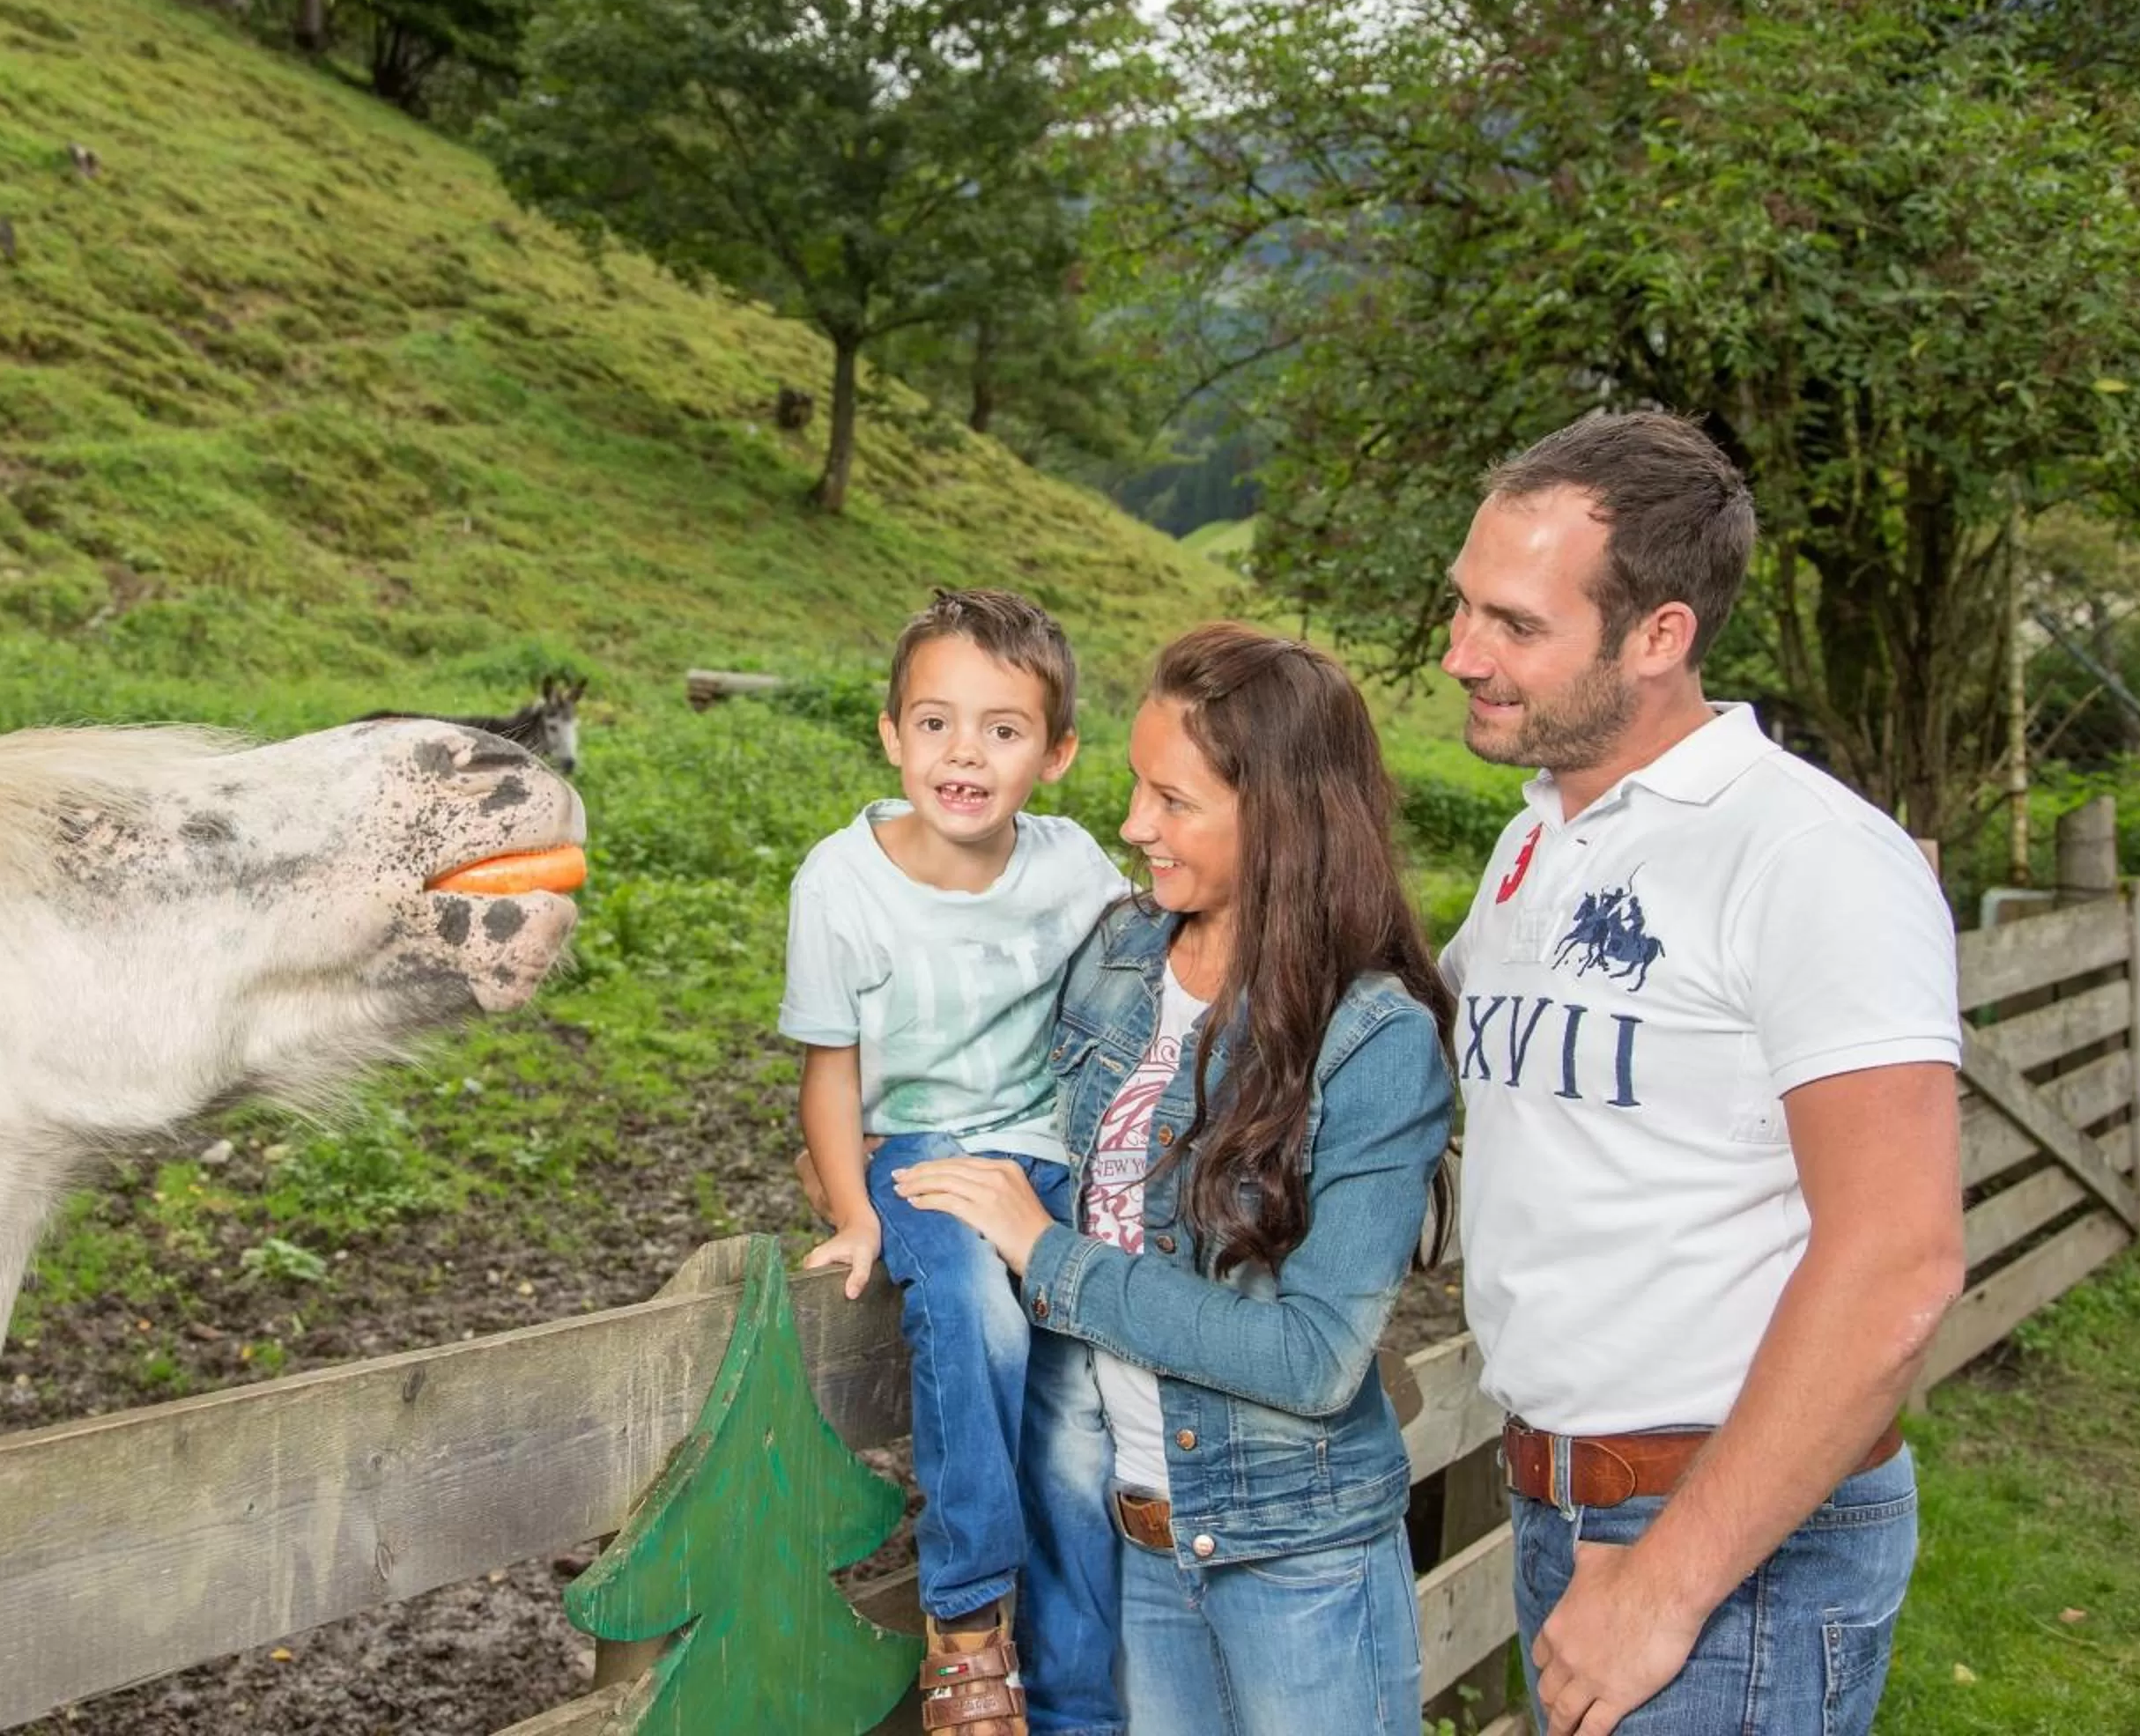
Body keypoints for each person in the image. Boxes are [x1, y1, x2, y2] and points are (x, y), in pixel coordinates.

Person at [1435, 410, 1966, 1735]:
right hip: (1563, 1505)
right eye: (1464, 608)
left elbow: (1900, 1258)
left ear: (1660, 636)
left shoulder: (1806, 859)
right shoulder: (1543, 837)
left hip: (1728, 1543)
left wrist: (1670, 1584)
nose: (1463, 655)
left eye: (1515, 625)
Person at [893, 624, 1456, 1736]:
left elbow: (1312, 1357)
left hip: (1296, 1559)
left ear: (1284, 812)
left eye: (1174, 799)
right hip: (1134, 1545)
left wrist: (1047, 1253)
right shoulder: (1115, 955)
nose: (1134, 825)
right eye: (1134, 788)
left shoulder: (1373, 1038)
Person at [781, 587, 1130, 1736]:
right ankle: (969, 1613)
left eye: (1003, 728)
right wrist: (854, 1213)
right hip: (915, 1147)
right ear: (890, 735)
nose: (963, 753)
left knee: (1079, 1424)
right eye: (934, 723)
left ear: (1058, 753)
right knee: (978, 1307)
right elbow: (829, 1072)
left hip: (1047, 1156)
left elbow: (1147, 1003)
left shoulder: (1076, 869)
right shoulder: (842, 883)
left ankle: (1083, 1697)